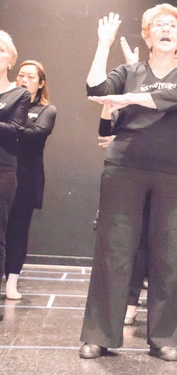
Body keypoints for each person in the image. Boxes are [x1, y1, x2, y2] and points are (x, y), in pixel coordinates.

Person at [79, 5, 177, 362]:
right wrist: (103, 46)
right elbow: (96, 89)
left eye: (173, 25)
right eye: (158, 25)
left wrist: (130, 99)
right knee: (113, 251)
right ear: (148, 36)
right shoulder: (129, 71)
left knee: (170, 254)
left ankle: (164, 337)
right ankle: (99, 335)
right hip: (125, 168)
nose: (166, 29)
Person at [4, 60, 56, 300]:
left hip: (27, 177)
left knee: (17, 229)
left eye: (31, 77)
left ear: (41, 82)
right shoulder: (9, 103)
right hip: (5, 172)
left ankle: (12, 282)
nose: (24, 80)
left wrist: (11, 126)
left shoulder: (46, 110)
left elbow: (36, 134)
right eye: (21, 75)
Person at [0, 30, 30, 316]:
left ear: (10, 59)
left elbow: (15, 131)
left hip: (2, 169)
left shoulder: (19, 94)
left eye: (0, 50)